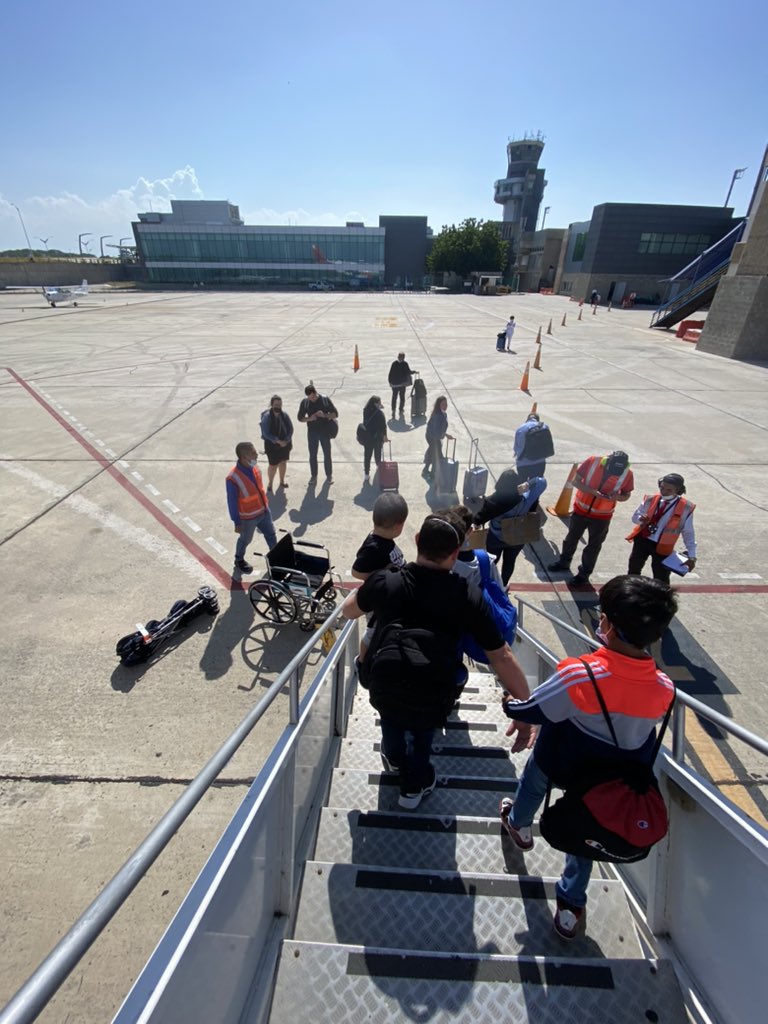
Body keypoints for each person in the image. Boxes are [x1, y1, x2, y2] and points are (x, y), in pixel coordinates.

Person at [498, 575, 677, 939]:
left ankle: (518, 824)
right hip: (610, 780)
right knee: (586, 830)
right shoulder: (664, 688)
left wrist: (509, 703)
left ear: (607, 624)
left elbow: (534, 709)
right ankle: (570, 905)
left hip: (563, 760)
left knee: (534, 780)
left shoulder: (580, 674)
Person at [341, 514, 531, 809]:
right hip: (433, 689)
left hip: (386, 683)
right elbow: (501, 655)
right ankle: (413, 788)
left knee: (390, 721)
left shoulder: (387, 580)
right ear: (455, 554)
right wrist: (526, 706)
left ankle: (393, 758)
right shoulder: (466, 594)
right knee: (422, 734)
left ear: (417, 541)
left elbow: (349, 611)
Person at [548, 450, 634, 586]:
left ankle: (584, 574)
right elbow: (575, 482)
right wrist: (593, 492)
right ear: (607, 462)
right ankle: (564, 562)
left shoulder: (627, 474)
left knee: (593, 547)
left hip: (602, 516)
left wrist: (617, 497)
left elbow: (626, 494)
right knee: (571, 538)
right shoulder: (592, 462)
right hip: (581, 510)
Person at [352, 492, 409, 659]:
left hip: (388, 595)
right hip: (378, 602)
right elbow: (356, 571)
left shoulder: (384, 540)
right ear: (398, 526)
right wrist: (382, 574)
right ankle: (361, 661)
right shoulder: (374, 547)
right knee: (372, 633)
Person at [474, 471, 548, 586]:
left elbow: (478, 519)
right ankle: (503, 585)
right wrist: (527, 484)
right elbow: (542, 482)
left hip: (495, 538)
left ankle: (488, 583)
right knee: (509, 562)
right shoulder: (525, 498)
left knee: (491, 561)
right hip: (516, 538)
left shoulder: (492, 500)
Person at [626, 474, 696, 583]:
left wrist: (692, 556)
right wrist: (641, 519)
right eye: (662, 487)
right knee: (633, 570)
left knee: (661, 577)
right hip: (643, 540)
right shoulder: (650, 499)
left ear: (677, 490)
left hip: (663, 547)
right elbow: (635, 518)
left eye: (669, 490)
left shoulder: (686, 508)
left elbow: (688, 533)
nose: (663, 492)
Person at [226, 441, 278, 574]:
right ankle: (239, 559)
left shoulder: (255, 468)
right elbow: (232, 503)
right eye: (253, 453)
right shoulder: (233, 478)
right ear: (244, 457)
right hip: (248, 518)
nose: (257, 454)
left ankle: (277, 560)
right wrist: (237, 522)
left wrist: (266, 507)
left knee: (271, 535)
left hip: (263, 511)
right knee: (245, 540)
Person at [297, 383, 338, 484]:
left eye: (313, 397)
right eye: (310, 398)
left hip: (325, 431)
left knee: (327, 454)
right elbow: (300, 418)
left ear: (316, 392)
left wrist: (324, 415)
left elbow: (335, 414)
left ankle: (329, 476)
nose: (312, 399)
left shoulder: (325, 400)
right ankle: (313, 476)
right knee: (312, 455)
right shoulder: (305, 403)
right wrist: (310, 418)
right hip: (312, 432)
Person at [260, 394, 294, 492]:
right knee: (273, 465)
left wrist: (286, 440)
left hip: (284, 444)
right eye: (276, 404)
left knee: (283, 462)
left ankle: (282, 481)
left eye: (280, 404)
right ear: (271, 404)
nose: (278, 407)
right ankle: (270, 483)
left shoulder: (285, 415)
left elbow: (290, 429)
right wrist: (278, 441)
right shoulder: (266, 417)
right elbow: (266, 433)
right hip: (272, 445)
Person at [422, 395, 454, 481]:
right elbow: (436, 431)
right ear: (439, 405)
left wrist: (446, 435)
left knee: (432, 453)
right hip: (432, 437)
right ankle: (433, 475)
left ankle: (425, 470)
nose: (445, 406)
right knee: (437, 456)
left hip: (434, 436)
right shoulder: (438, 415)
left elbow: (439, 429)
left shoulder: (443, 413)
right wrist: (442, 437)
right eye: (443, 404)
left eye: (446, 404)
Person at [514, 412, 554, 479]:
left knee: (522, 486)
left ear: (527, 419)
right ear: (538, 419)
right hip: (540, 462)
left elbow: (517, 448)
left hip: (523, 463)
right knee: (536, 485)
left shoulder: (521, 429)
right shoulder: (544, 426)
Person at [360, 395, 388, 482]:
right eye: (379, 403)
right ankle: (378, 467)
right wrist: (385, 436)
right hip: (377, 438)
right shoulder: (379, 413)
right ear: (375, 404)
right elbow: (383, 426)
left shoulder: (365, 410)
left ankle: (366, 474)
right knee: (377, 454)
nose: (380, 404)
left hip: (367, 437)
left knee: (367, 456)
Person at [387, 352, 413, 417]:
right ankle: (401, 409)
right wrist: (414, 372)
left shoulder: (394, 363)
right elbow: (408, 372)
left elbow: (390, 373)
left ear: (398, 357)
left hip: (394, 384)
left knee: (394, 397)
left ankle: (393, 410)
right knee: (402, 397)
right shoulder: (405, 364)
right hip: (402, 384)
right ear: (404, 357)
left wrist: (390, 382)